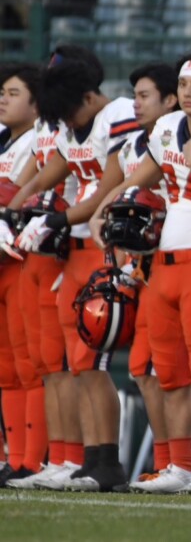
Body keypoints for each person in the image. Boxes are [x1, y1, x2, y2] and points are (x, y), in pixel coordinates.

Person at [92, 52, 191, 495]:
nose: (187, 91)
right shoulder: (166, 128)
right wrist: (110, 202)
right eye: (183, 83)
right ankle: (178, 464)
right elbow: (148, 173)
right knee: (169, 371)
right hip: (162, 262)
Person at [8, 45, 139, 493]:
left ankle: (107, 461)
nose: (66, 126)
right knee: (77, 362)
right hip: (76, 251)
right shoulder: (73, 125)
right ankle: (86, 458)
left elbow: (111, 184)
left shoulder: (117, 114)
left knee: (94, 360)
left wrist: (61, 218)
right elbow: (51, 170)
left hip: (102, 246)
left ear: (88, 98)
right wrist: (14, 205)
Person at [116, 62, 177, 486]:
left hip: (179, 257)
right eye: (135, 95)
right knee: (141, 367)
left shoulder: (181, 137)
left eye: (145, 95)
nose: (136, 103)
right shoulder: (128, 148)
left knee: (183, 370)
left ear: (169, 100)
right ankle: (165, 459)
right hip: (143, 265)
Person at [0, 63, 46, 486]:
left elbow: (16, 195)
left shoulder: (38, 140)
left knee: (26, 365)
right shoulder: (3, 139)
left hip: (18, 258)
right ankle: (10, 458)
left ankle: (29, 460)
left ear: (36, 103)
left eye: (14, 92)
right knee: (3, 368)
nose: (3, 98)